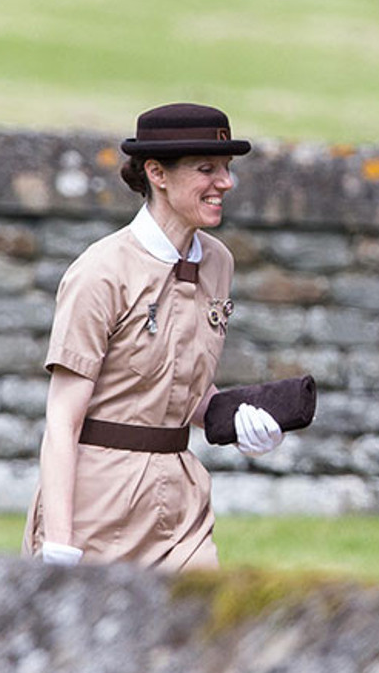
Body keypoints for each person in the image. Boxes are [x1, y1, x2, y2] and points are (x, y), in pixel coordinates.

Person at [22, 102, 283, 571]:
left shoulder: (218, 263)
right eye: (206, 169)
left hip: (182, 505)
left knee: (201, 617)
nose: (225, 182)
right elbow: (62, 421)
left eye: (226, 168)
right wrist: (59, 544)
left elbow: (180, 389)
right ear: (157, 173)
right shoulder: (99, 273)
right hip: (99, 507)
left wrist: (240, 423)